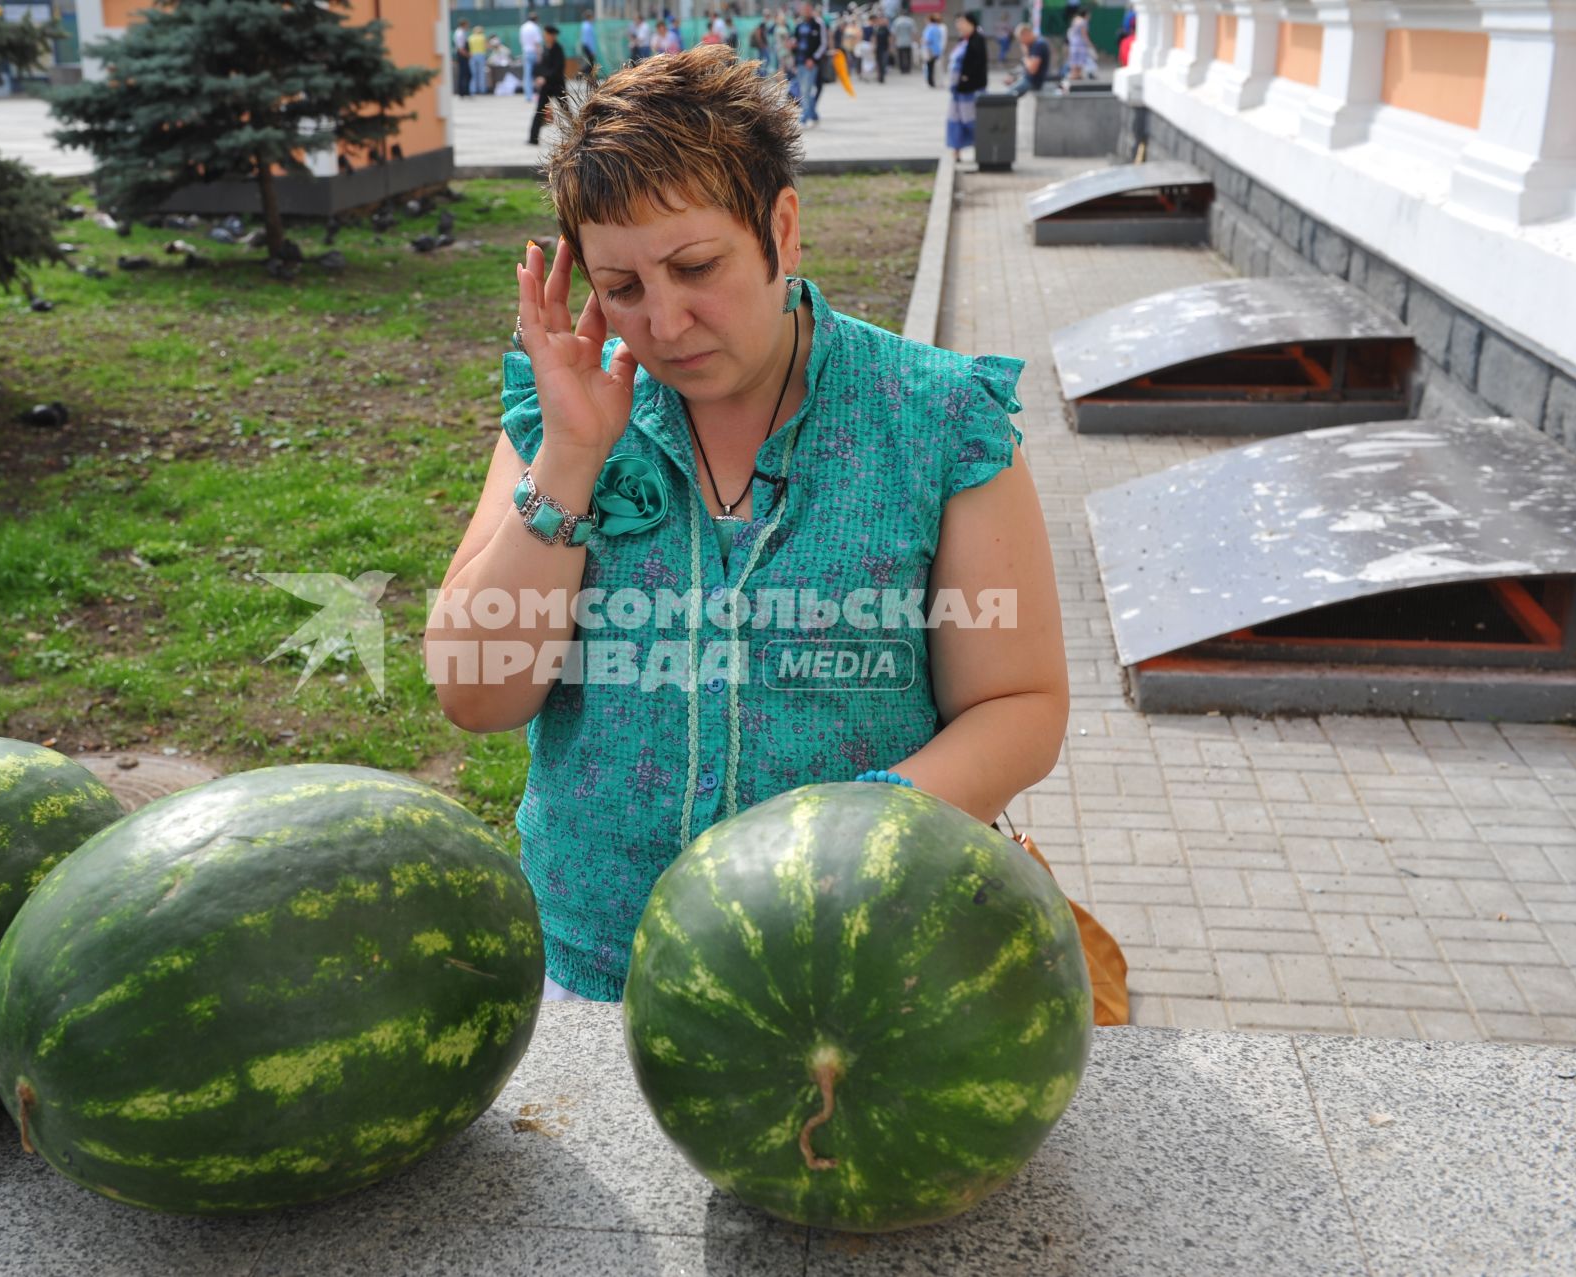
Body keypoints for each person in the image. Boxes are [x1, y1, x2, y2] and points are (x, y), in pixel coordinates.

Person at [428, 45, 1116, 1018]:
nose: (663, 320)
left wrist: (835, 847)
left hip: (848, 980)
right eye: (621, 285)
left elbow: (1019, 702)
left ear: (780, 229)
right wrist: (572, 461)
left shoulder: (934, 420)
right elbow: (475, 694)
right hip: (592, 974)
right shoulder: (563, 416)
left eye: (696, 266)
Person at [946, 10, 986, 163]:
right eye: (957, 22)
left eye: (961, 22)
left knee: (971, 121)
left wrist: (965, 77)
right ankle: (956, 151)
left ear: (971, 23)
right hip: (958, 91)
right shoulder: (962, 40)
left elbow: (977, 64)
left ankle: (981, 148)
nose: (959, 25)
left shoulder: (977, 39)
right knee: (955, 120)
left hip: (971, 90)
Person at [529, 25, 569, 145]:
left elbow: (558, 68)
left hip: (557, 85)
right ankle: (533, 138)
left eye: (547, 34)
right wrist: (538, 76)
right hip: (546, 86)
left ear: (552, 36)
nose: (545, 37)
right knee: (539, 111)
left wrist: (545, 77)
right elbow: (541, 65)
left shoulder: (558, 49)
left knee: (566, 110)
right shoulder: (545, 48)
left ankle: (577, 134)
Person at [792, 0, 826, 127]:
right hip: (800, 61)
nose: (805, 11)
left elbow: (823, 44)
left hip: (810, 63)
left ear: (811, 9)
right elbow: (795, 40)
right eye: (803, 9)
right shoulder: (799, 24)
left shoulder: (818, 24)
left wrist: (814, 58)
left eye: (807, 8)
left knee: (806, 90)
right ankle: (813, 114)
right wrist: (792, 45)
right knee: (803, 90)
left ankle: (804, 117)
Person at [1008, 22, 1052, 96]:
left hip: (1033, 82)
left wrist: (1026, 55)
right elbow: (1025, 68)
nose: (1021, 43)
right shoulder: (1034, 44)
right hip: (1028, 80)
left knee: (1007, 95)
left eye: (1020, 39)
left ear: (1026, 34)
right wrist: (1014, 77)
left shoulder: (1039, 45)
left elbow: (1032, 70)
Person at [1066, 10, 1099, 80]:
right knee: (1080, 59)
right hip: (1080, 43)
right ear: (1086, 14)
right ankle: (1077, 74)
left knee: (1074, 59)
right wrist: (1090, 44)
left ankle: (1074, 74)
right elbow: (1084, 34)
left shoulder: (1075, 20)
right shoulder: (1083, 22)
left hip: (1073, 42)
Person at [520, 13, 544, 103]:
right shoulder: (535, 28)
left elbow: (522, 41)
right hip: (534, 52)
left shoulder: (523, 27)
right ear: (536, 20)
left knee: (527, 75)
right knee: (538, 74)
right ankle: (538, 94)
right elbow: (537, 43)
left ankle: (528, 95)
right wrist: (539, 55)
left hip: (526, 52)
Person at [921, 12, 944, 88]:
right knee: (935, 67)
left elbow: (927, 40)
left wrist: (922, 41)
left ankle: (931, 82)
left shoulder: (929, 28)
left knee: (929, 67)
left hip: (929, 50)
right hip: (937, 50)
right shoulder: (938, 28)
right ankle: (935, 81)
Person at [891, 5, 916, 75]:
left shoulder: (897, 21)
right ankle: (908, 69)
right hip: (908, 42)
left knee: (901, 56)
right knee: (908, 56)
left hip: (899, 42)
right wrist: (913, 41)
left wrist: (892, 42)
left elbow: (893, 33)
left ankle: (902, 69)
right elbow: (913, 32)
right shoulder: (910, 21)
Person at [870, 10, 890, 84]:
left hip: (884, 47)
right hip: (878, 48)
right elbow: (873, 37)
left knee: (884, 62)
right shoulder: (876, 29)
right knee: (879, 62)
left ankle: (882, 76)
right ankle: (880, 76)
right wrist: (873, 46)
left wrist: (890, 47)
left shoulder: (885, 28)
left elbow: (889, 37)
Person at [470, 25, 490, 94]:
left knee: (473, 74)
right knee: (481, 73)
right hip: (481, 55)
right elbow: (487, 46)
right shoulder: (483, 37)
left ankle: (473, 90)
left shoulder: (471, 37)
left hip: (472, 55)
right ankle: (482, 89)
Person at [453, 20, 472, 97]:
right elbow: (460, 48)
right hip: (462, 55)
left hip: (463, 55)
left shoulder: (461, 33)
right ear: (463, 25)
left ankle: (465, 91)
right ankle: (463, 91)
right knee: (464, 74)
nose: (468, 27)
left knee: (466, 74)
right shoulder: (460, 33)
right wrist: (467, 55)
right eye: (467, 25)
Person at [580, 10, 598, 80]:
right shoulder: (588, 26)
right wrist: (592, 50)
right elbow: (589, 40)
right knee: (591, 62)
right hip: (588, 46)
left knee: (590, 62)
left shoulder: (584, 25)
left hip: (585, 46)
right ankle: (581, 74)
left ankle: (589, 76)